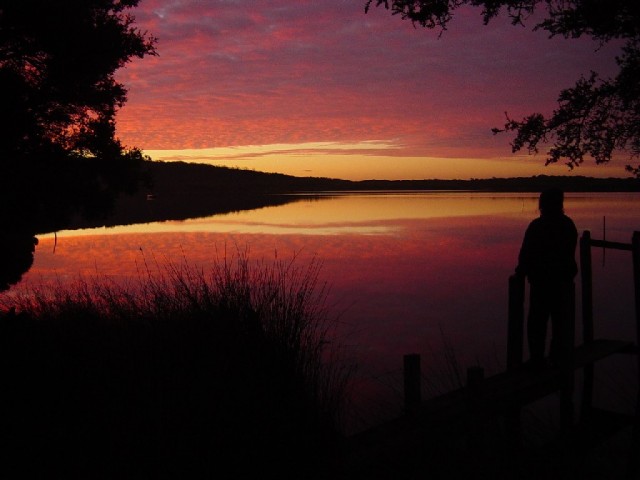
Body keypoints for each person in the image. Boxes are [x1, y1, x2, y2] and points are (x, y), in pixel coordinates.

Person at [515, 188, 578, 369]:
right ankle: (553, 357)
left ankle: (539, 358)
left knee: (539, 321)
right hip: (557, 282)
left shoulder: (538, 226)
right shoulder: (567, 225)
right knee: (557, 321)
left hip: (544, 282)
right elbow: (526, 254)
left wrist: (522, 271)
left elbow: (525, 254)